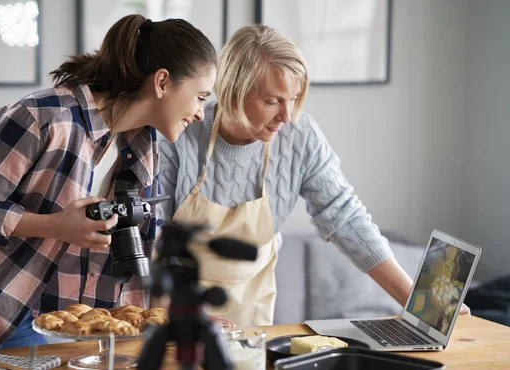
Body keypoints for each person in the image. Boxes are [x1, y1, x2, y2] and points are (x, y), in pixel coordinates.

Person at [0, 14, 217, 353]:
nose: (201, 112)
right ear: (162, 82)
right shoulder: (40, 118)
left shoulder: (143, 146)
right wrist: (56, 226)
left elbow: (140, 248)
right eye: (200, 97)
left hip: (43, 324)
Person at [158, 24, 469, 327]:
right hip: (172, 314)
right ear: (234, 91)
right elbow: (151, 239)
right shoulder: (180, 134)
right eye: (272, 101)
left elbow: (346, 217)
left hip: (251, 321)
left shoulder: (299, 136)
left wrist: (420, 304)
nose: (287, 115)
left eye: (292, 99)